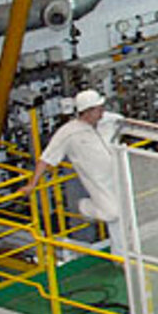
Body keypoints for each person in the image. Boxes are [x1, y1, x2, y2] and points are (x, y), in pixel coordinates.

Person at [26, 89, 126, 252]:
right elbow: (46, 158)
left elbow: (130, 125)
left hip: (120, 176)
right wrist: (32, 184)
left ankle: (121, 255)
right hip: (98, 182)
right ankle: (83, 207)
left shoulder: (109, 120)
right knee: (112, 213)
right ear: (86, 112)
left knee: (122, 217)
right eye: (98, 109)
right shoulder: (68, 133)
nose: (102, 111)